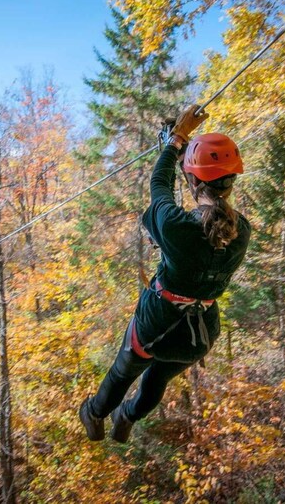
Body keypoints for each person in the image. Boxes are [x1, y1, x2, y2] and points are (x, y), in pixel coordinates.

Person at [79, 105, 252, 443]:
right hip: (199, 335)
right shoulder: (241, 230)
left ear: (193, 180)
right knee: (157, 380)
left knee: (124, 371)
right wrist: (182, 149)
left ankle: (95, 413)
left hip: (158, 323)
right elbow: (201, 236)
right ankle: (126, 418)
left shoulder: (176, 226)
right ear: (231, 184)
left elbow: (159, 184)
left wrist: (176, 140)